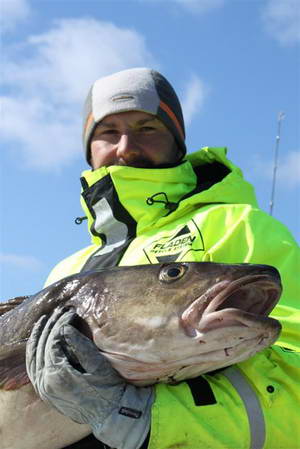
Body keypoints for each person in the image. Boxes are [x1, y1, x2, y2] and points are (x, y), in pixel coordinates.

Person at [26, 68, 300, 449]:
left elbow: (293, 375)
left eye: (147, 128)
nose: (126, 146)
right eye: (108, 132)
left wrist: (142, 421)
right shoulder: (67, 271)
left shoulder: (238, 225)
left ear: (177, 143)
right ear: (89, 150)